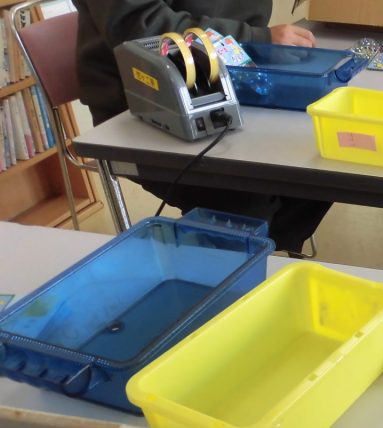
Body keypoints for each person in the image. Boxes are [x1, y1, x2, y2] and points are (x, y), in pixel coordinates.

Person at [72, 1, 330, 254]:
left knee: (319, 170)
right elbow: (138, 24)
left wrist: (254, 46)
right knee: (245, 201)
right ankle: (227, 261)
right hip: (140, 104)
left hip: (229, 81)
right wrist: (255, 39)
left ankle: (253, 253)